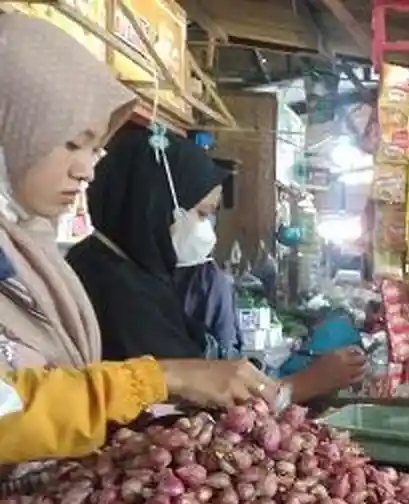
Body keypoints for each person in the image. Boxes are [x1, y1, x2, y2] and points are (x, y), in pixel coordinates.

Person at [0, 14, 276, 471]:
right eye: (72, 143)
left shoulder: (29, 251)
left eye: (94, 150)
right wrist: (161, 376)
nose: (86, 170)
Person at [69, 128, 367, 403]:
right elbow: (184, 409)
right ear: (154, 204)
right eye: (202, 214)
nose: (208, 230)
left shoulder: (132, 272)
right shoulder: (117, 291)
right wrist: (301, 385)